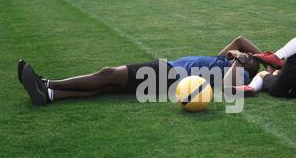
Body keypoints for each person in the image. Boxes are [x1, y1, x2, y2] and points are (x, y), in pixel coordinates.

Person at [18, 36, 261, 106]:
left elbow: (228, 89)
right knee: (108, 87)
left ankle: (48, 82)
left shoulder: (241, 74)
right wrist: (267, 60)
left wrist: (241, 63)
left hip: (168, 74)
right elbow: (240, 40)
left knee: (108, 74)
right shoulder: (224, 61)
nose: (245, 53)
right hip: (165, 77)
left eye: (251, 58)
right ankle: (49, 95)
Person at [234, 0, 296, 98]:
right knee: (263, 74)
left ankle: (276, 56)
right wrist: (276, 72)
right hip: (290, 90)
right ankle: (251, 88)